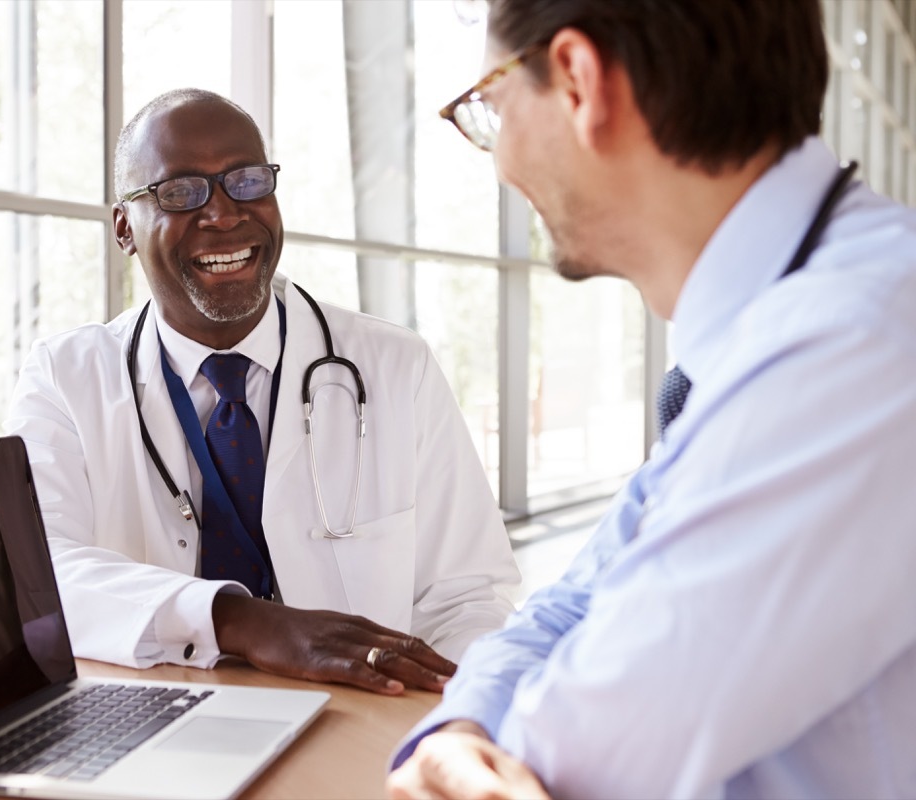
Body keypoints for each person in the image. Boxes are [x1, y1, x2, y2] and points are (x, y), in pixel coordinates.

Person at [387, 1, 916, 798]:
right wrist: (463, 729)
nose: (498, 163)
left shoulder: (852, 346)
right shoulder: (761, 335)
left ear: (578, 80)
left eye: (490, 110)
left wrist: (481, 748)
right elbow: (571, 606)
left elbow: (574, 764)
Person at [5, 88, 521, 697]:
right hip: (156, 721)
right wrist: (243, 622)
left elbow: (468, 595)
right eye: (180, 192)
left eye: (247, 181)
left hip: (357, 718)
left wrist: (455, 717)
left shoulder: (394, 366)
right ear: (124, 227)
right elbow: (39, 576)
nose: (224, 214)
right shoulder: (66, 378)